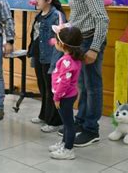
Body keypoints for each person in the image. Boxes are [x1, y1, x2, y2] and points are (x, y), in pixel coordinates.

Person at [49, 0, 109, 146]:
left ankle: (92, 129)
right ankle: (81, 122)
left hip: (91, 41)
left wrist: (94, 49)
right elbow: (81, 16)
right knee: (82, 84)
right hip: (80, 41)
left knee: (93, 87)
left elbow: (101, 19)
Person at [28, 0, 65, 132]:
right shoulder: (39, 15)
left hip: (51, 57)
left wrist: (55, 62)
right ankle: (44, 115)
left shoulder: (57, 16)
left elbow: (60, 40)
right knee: (43, 87)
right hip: (39, 55)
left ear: (48, 0)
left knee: (52, 90)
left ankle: (55, 121)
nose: (35, 1)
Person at [48, 26, 83, 160]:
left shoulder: (67, 61)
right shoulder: (73, 58)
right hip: (68, 95)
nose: (54, 43)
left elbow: (64, 83)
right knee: (66, 122)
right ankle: (64, 143)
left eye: (56, 41)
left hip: (64, 97)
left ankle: (68, 150)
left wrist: (57, 97)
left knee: (68, 124)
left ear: (62, 44)